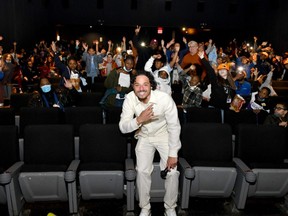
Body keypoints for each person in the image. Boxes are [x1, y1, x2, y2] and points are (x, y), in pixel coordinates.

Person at [119, 71, 181, 216]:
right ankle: (145, 207)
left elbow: (174, 126)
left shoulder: (164, 99)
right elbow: (122, 127)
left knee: (172, 173)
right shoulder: (129, 99)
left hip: (164, 135)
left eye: (145, 84)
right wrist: (138, 120)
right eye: (137, 85)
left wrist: (173, 154)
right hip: (144, 135)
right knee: (141, 171)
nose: (141, 89)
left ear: (151, 86)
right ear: (133, 87)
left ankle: (170, 208)